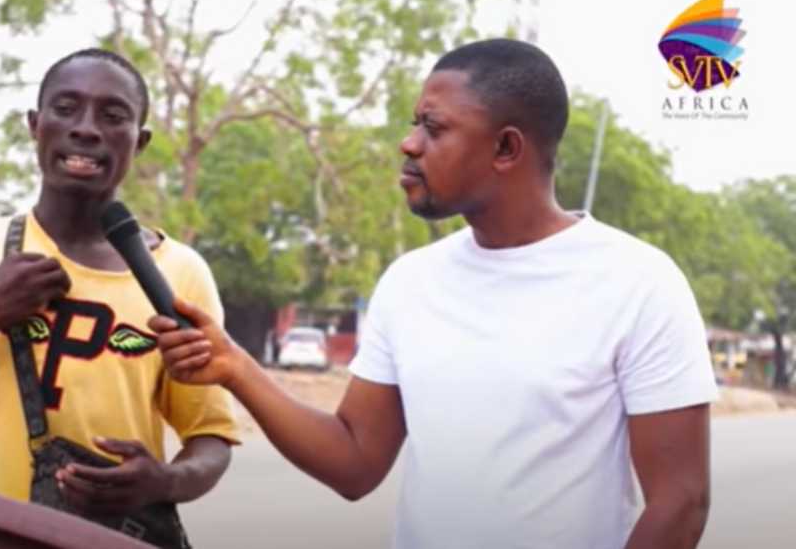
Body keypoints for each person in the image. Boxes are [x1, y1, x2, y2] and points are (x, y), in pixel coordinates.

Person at [149, 39, 716, 549]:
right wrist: (235, 367)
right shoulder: (410, 281)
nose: (408, 143)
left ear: (506, 149)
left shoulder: (638, 282)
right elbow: (354, 462)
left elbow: (680, 503)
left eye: (433, 128)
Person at [0, 48, 238, 544]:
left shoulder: (180, 274)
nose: (86, 128)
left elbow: (210, 439)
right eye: (65, 108)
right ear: (36, 125)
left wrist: (163, 481)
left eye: (112, 115)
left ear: (138, 142)